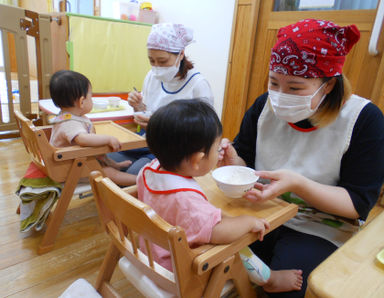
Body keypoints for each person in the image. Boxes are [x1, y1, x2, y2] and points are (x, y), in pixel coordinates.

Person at [218, 19, 384, 297]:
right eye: (274, 82)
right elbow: (245, 163)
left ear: (329, 85)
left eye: (295, 88)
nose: (280, 96)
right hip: (261, 214)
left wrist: (298, 184)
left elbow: (357, 203)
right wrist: (234, 161)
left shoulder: (365, 121)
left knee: (285, 291)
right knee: (214, 259)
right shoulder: (264, 106)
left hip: (320, 227)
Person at [137, 99, 303, 293]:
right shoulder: (186, 200)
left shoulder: (148, 171)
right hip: (177, 271)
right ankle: (269, 279)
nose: (219, 153)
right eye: (216, 149)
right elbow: (219, 233)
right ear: (197, 160)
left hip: (150, 253)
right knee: (237, 247)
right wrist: (248, 221)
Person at [108, 23, 214, 175]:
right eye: (152, 60)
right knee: (105, 159)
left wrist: (160, 127)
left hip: (174, 150)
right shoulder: (152, 76)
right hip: (148, 141)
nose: (157, 67)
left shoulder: (197, 85)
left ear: (181, 54)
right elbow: (148, 112)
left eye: (163, 61)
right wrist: (138, 106)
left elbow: (203, 134)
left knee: (130, 176)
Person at [49, 70, 136, 186]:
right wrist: (108, 138)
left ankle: (114, 165)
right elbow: (83, 139)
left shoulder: (67, 115)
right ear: (81, 102)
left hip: (76, 159)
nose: (92, 99)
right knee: (108, 173)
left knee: (101, 155)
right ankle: (140, 181)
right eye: (91, 96)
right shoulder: (69, 122)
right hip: (70, 168)